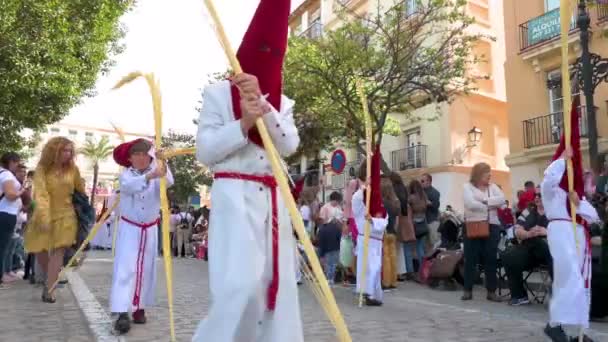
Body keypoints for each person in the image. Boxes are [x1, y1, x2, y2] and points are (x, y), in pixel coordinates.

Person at [193, 0, 304, 340]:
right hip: (233, 197)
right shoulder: (216, 95)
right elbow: (206, 151)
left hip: (272, 202)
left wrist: (266, 111)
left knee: (277, 284)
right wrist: (243, 123)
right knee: (238, 284)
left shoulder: (282, 102)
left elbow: (289, 146)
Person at [541, 101, 600, 342]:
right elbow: (548, 180)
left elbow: (593, 216)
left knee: (581, 279)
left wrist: (578, 202)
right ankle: (555, 324)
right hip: (561, 230)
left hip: (578, 232)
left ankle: (579, 331)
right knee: (569, 276)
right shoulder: (552, 192)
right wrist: (561, 159)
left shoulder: (573, 194)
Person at [109, 138, 174, 334]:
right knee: (125, 267)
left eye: (145, 154)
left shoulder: (157, 170)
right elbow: (130, 186)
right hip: (130, 228)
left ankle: (140, 308)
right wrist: (150, 176)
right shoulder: (126, 175)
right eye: (136, 154)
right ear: (129, 158)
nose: (141, 157)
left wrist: (163, 161)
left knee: (146, 269)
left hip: (150, 229)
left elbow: (168, 181)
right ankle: (121, 311)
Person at [25, 137, 85, 302]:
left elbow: (80, 191)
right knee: (39, 249)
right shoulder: (42, 169)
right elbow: (41, 194)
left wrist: (84, 208)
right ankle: (51, 277)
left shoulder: (73, 170)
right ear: (54, 151)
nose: (68, 154)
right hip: (43, 213)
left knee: (59, 251)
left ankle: (49, 289)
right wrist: (43, 216)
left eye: (70, 151)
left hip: (66, 215)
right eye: (64, 150)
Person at [461, 162, 505, 302]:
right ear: (478, 174)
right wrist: (489, 205)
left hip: (492, 226)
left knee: (490, 258)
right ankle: (467, 290)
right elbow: (470, 204)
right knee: (470, 258)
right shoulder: (467, 187)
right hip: (473, 225)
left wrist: (484, 200)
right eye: (487, 172)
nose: (490, 175)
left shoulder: (493, 187)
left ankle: (491, 291)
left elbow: (502, 200)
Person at [501, 193, 552, 306]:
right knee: (508, 255)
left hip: (549, 250)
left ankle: (559, 298)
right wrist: (528, 233)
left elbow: (564, 231)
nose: (537, 197)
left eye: (541, 195)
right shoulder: (528, 211)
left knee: (540, 243)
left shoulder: (555, 211)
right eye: (536, 195)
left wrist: (546, 231)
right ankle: (519, 295)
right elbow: (517, 230)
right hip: (530, 248)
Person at [353, 145, 388, 306]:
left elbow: (385, 216)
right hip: (366, 238)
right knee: (369, 268)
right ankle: (368, 294)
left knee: (375, 267)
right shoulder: (359, 195)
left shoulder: (376, 196)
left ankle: (373, 294)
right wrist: (364, 190)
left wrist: (375, 220)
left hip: (376, 238)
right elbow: (357, 209)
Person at [0, 152, 24, 288]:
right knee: (3, 246)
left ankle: (4, 272)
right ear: (11, 161)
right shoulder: (7, 175)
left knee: (4, 246)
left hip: (4, 212)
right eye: (17, 163)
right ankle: (1, 275)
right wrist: (21, 192)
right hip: (6, 213)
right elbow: (10, 195)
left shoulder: (2, 173)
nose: (17, 166)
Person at [381, 177, 400, 289]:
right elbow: (397, 219)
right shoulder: (394, 203)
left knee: (385, 258)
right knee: (393, 257)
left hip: (384, 232)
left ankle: (386, 282)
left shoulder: (382, 203)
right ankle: (393, 281)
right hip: (393, 232)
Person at [407, 179, 429, 276]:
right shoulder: (424, 197)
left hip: (414, 225)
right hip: (423, 223)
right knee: (422, 248)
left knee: (415, 248)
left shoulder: (411, 198)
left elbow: (408, 211)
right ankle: (423, 269)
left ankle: (417, 269)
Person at [421, 173, 440, 247]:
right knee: (425, 246)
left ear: (429, 181)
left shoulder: (435, 193)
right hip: (422, 223)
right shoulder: (420, 192)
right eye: (421, 181)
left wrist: (430, 203)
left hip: (432, 222)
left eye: (423, 181)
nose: (421, 183)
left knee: (435, 244)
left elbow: (436, 206)